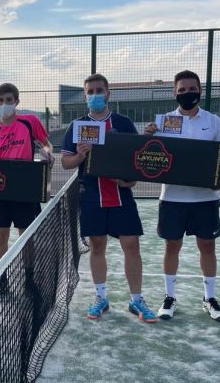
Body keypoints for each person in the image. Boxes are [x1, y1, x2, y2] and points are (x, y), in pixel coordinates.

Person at [61, 73, 156, 322]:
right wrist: (80, 156)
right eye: (90, 91)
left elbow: (135, 161)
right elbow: (66, 162)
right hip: (91, 196)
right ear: (85, 95)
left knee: (132, 246)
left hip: (121, 196)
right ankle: (100, 298)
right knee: (97, 246)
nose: (95, 95)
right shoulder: (77, 126)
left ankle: (136, 300)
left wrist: (130, 180)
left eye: (99, 90)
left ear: (108, 93)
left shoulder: (123, 123)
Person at [144, 70, 220, 322]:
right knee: (172, 246)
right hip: (172, 198)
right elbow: (151, 154)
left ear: (200, 91)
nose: (187, 93)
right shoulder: (163, 122)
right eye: (182, 90)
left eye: (192, 89)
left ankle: (209, 298)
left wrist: (218, 178)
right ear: (174, 93)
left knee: (207, 246)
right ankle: (169, 298)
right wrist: (147, 136)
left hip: (205, 198)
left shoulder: (213, 121)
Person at [0, 83, 53, 262]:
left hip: (25, 189)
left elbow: (45, 143)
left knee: (26, 236)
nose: (5, 104)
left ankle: (28, 274)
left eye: (9, 100)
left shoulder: (29, 122)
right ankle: (1, 278)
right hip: (1, 192)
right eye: (1, 100)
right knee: (1, 235)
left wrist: (48, 153)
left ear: (16, 101)